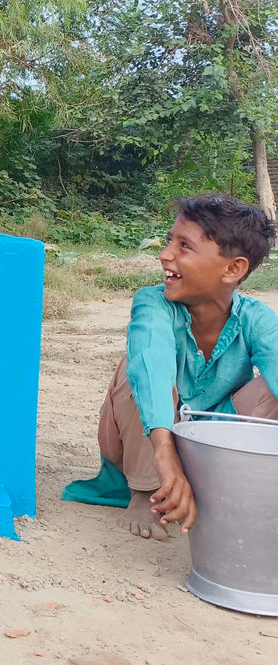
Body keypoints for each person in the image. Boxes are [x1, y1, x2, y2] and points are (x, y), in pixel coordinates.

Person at [63, 194, 278, 540]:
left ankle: (225, 487)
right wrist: (163, 452)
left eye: (184, 246)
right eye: (168, 241)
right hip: (145, 447)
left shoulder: (257, 320)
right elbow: (152, 362)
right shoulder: (153, 303)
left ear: (233, 269)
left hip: (208, 452)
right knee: (136, 369)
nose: (165, 255)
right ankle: (145, 493)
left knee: (271, 388)